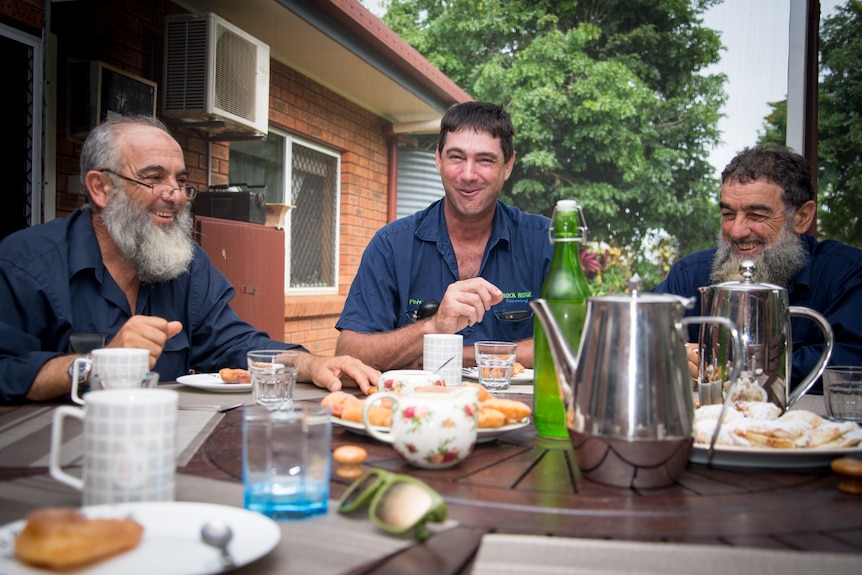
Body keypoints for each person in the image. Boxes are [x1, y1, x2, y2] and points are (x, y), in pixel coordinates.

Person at [0, 115, 379, 404]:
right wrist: (97, 363)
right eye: (154, 179)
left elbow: (236, 344)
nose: (176, 195)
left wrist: (309, 364)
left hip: (166, 443)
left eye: (181, 181)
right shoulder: (26, 263)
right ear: (101, 188)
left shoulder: (186, 263)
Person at [335, 102, 554, 370]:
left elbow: (571, 346)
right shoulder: (391, 245)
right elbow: (348, 355)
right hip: (418, 410)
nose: (468, 174)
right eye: (456, 157)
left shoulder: (545, 242)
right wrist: (434, 326)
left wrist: (457, 356)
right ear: (438, 160)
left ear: (508, 166)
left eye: (485, 160)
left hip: (518, 411)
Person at [653, 144, 862, 391]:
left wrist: (733, 369)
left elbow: (851, 360)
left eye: (756, 215)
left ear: (802, 217)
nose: (737, 231)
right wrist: (673, 356)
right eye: (728, 214)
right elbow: (637, 339)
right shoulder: (691, 273)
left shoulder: (847, 273)